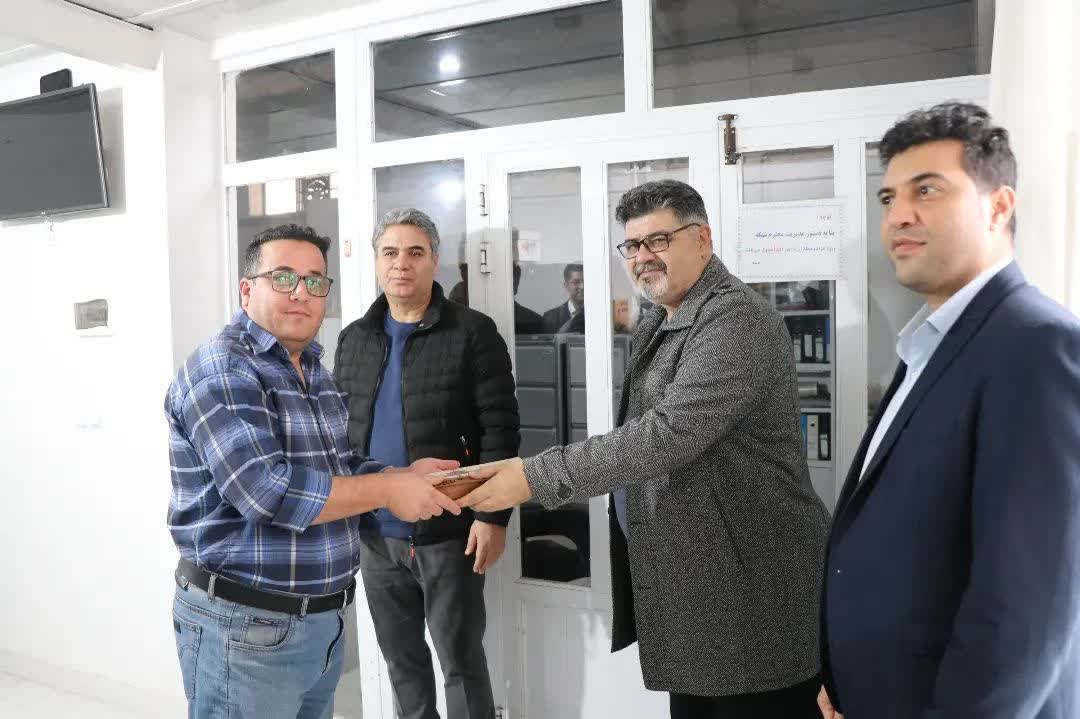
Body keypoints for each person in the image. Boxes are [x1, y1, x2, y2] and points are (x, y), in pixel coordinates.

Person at [460, 180, 830, 718]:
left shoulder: (737, 319)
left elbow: (666, 433)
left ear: (702, 239)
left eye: (658, 240)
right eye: (632, 245)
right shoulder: (662, 314)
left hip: (750, 585)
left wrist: (535, 475)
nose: (642, 257)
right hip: (699, 580)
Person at [816, 103, 1080, 719]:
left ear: (998, 206)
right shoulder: (928, 346)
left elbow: (1023, 616)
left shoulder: (1037, 347)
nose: (898, 215)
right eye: (888, 198)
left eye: (927, 190)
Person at [165, 224, 460, 718]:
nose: (301, 293)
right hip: (245, 626)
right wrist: (389, 489)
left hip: (320, 623)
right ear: (246, 290)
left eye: (315, 282)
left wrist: (403, 474)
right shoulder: (224, 369)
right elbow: (267, 493)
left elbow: (338, 464)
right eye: (283, 278)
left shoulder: (310, 366)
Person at [334, 208, 520, 719]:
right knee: (402, 664)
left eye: (415, 252)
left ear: (434, 260)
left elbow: (500, 429)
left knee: (461, 663)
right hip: (376, 535)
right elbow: (341, 434)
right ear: (376, 261)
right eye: (390, 252)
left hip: (449, 532)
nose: (402, 263)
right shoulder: (355, 339)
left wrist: (492, 517)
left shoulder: (472, 332)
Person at [541, 262, 585, 333]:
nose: (582, 287)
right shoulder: (550, 318)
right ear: (566, 286)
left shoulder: (599, 313)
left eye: (586, 281)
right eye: (576, 282)